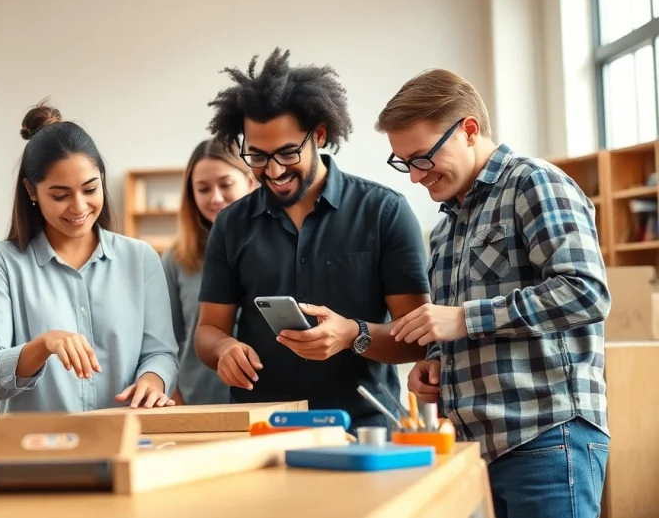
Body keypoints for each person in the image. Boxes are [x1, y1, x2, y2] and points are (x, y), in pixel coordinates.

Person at [375, 68, 610, 517]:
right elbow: (465, 328)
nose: (414, 176)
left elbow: (586, 292)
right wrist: (435, 362)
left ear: (468, 130)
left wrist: (463, 318)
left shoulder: (535, 182)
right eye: (404, 163)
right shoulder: (446, 227)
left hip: (545, 436)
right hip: (476, 448)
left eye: (422, 158)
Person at [193, 48, 432, 431]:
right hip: (261, 429)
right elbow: (208, 331)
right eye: (256, 156)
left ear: (318, 134)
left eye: (287, 153)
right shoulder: (232, 223)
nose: (272, 170)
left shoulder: (384, 212)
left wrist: (354, 335)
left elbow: (417, 339)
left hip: (364, 428)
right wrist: (224, 349)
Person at [0, 100, 179, 413]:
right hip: (37, 454)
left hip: (128, 440)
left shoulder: (141, 258)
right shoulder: (0, 264)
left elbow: (161, 353)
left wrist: (152, 380)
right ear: (31, 191)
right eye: (60, 195)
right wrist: (41, 346)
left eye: (90, 189)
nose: (78, 207)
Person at [162, 138, 256, 405]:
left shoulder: (274, 248)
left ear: (250, 181)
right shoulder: (176, 259)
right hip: (200, 402)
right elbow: (167, 342)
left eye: (226, 184)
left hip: (266, 401)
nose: (215, 197)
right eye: (203, 189)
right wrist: (176, 401)